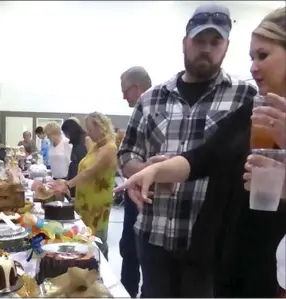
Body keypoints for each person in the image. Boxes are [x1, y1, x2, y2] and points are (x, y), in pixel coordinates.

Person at [116, 7, 286, 297]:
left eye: (263, 55)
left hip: (235, 259)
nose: (254, 67)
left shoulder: (244, 95)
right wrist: (149, 169)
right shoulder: (253, 106)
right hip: (179, 238)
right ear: (185, 43)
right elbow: (205, 156)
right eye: (253, 57)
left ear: (225, 47)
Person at [51, 112, 117, 259]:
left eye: (91, 129)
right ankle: (87, 266)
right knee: (84, 238)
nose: (88, 133)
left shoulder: (109, 149)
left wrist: (67, 184)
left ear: (101, 128)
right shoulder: (95, 145)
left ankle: (100, 269)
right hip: (85, 201)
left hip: (97, 205)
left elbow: (89, 172)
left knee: (96, 240)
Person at [119, 66, 152, 298]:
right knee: (129, 249)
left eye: (125, 90)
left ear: (137, 87)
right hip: (134, 196)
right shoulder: (139, 114)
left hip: (151, 198)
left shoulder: (156, 110)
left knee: (145, 256)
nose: (123, 96)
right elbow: (125, 156)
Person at [61, 119, 88, 197]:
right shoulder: (78, 140)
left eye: (65, 133)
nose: (65, 136)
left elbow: (82, 162)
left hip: (79, 177)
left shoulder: (83, 141)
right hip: (75, 175)